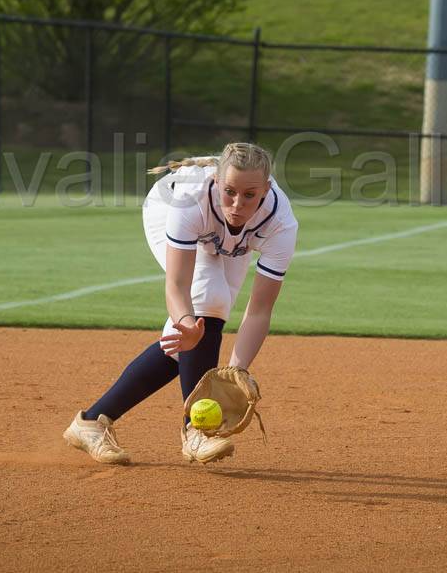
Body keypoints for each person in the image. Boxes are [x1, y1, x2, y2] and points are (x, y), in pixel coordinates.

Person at [64, 142, 298, 465]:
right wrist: (186, 322)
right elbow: (177, 286)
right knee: (209, 302)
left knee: (196, 334)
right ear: (217, 182)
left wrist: (236, 371)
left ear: (267, 190)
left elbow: (259, 309)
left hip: (228, 240)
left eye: (249, 195)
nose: (237, 204)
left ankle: (91, 422)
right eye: (229, 191)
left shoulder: (280, 223)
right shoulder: (189, 201)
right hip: (166, 211)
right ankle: (195, 432)